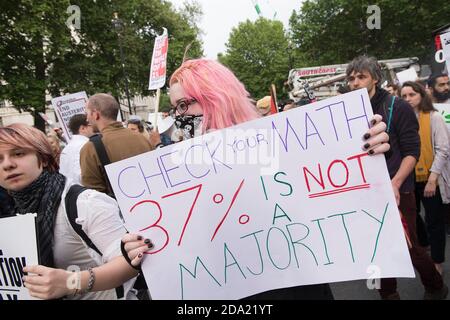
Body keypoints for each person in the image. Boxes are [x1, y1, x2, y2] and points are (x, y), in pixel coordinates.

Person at [121, 58, 391, 300]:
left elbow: (330, 193)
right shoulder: (176, 169)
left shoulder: (278, 145)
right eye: (175, 108)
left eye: (183, 105)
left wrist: (362, 144)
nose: (178, 117)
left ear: (215, 98)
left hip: (296, 288)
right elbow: (170, 243)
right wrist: (136, 248)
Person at [0, 123, 153, 299]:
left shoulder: (84, 203)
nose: (8, 165)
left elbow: (130, 263)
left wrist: (71, 282)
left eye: (18, 154)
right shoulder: (13, 209)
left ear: (42, 158)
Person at [347, 55, 448, 300]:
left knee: (408, 245)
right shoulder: (348, 111)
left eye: (362, 77)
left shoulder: (397, 106)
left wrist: (395, 183)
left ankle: (436, 286)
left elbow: (412, 152)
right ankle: (389, 294)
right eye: (351, 79)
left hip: (398, 189)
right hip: (366, 193)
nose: (355, 83)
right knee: (378, 248)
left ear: (376, 79)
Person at [401, 81, 449, 275]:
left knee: (434, 221)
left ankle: (437, 261)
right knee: (413, 219)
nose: (407, 99)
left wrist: (432, 178)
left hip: (431, 178)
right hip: (410, 179)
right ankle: (425, 247)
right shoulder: (401, 120)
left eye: (411, 94)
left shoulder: (434, 117)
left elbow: (443, 150)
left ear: (421, 95)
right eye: (403, 96)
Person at [80, 93, 160, 195]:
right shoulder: (143, 139)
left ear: (96, 114)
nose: (87, 119)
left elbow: (94, 197)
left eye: (87, 113)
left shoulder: (90, 149)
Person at [59, 114, 94, 185]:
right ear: (82, 128)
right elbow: (82, 175)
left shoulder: (66, 149)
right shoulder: (86, 146)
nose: (93, 127)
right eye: (90, 125)